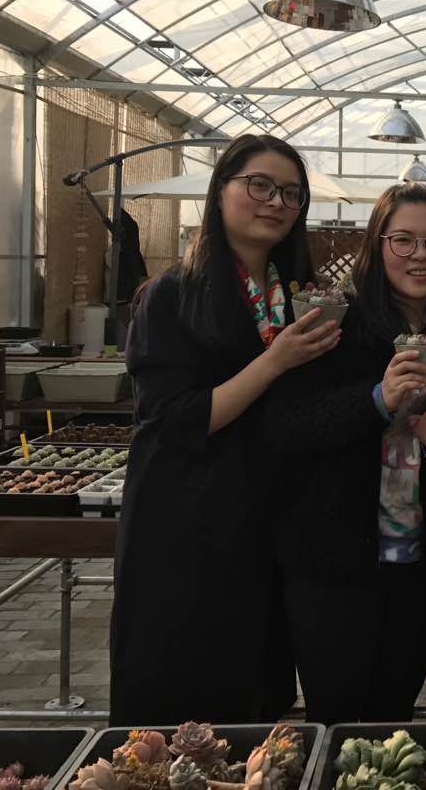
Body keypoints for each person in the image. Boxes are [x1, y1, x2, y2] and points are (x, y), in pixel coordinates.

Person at [110, 134, 340, 725]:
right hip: (188, 525)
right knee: (181, 698)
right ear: (220, 192)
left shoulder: (297, 298)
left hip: (268, 525)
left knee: (256, 701)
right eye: (259, 185)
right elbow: (174, 421)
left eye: (291, 193)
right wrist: (275, 361)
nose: (276, 202)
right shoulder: (171, 296)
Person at [256, 183, 426, 724]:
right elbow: (286, 427)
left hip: (417, 561)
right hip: (334, 561)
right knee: (335, 717)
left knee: (394, 716)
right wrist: (377, 399)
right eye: (403, 240)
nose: (421, 255)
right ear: (376, 246)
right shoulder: (334, 324)